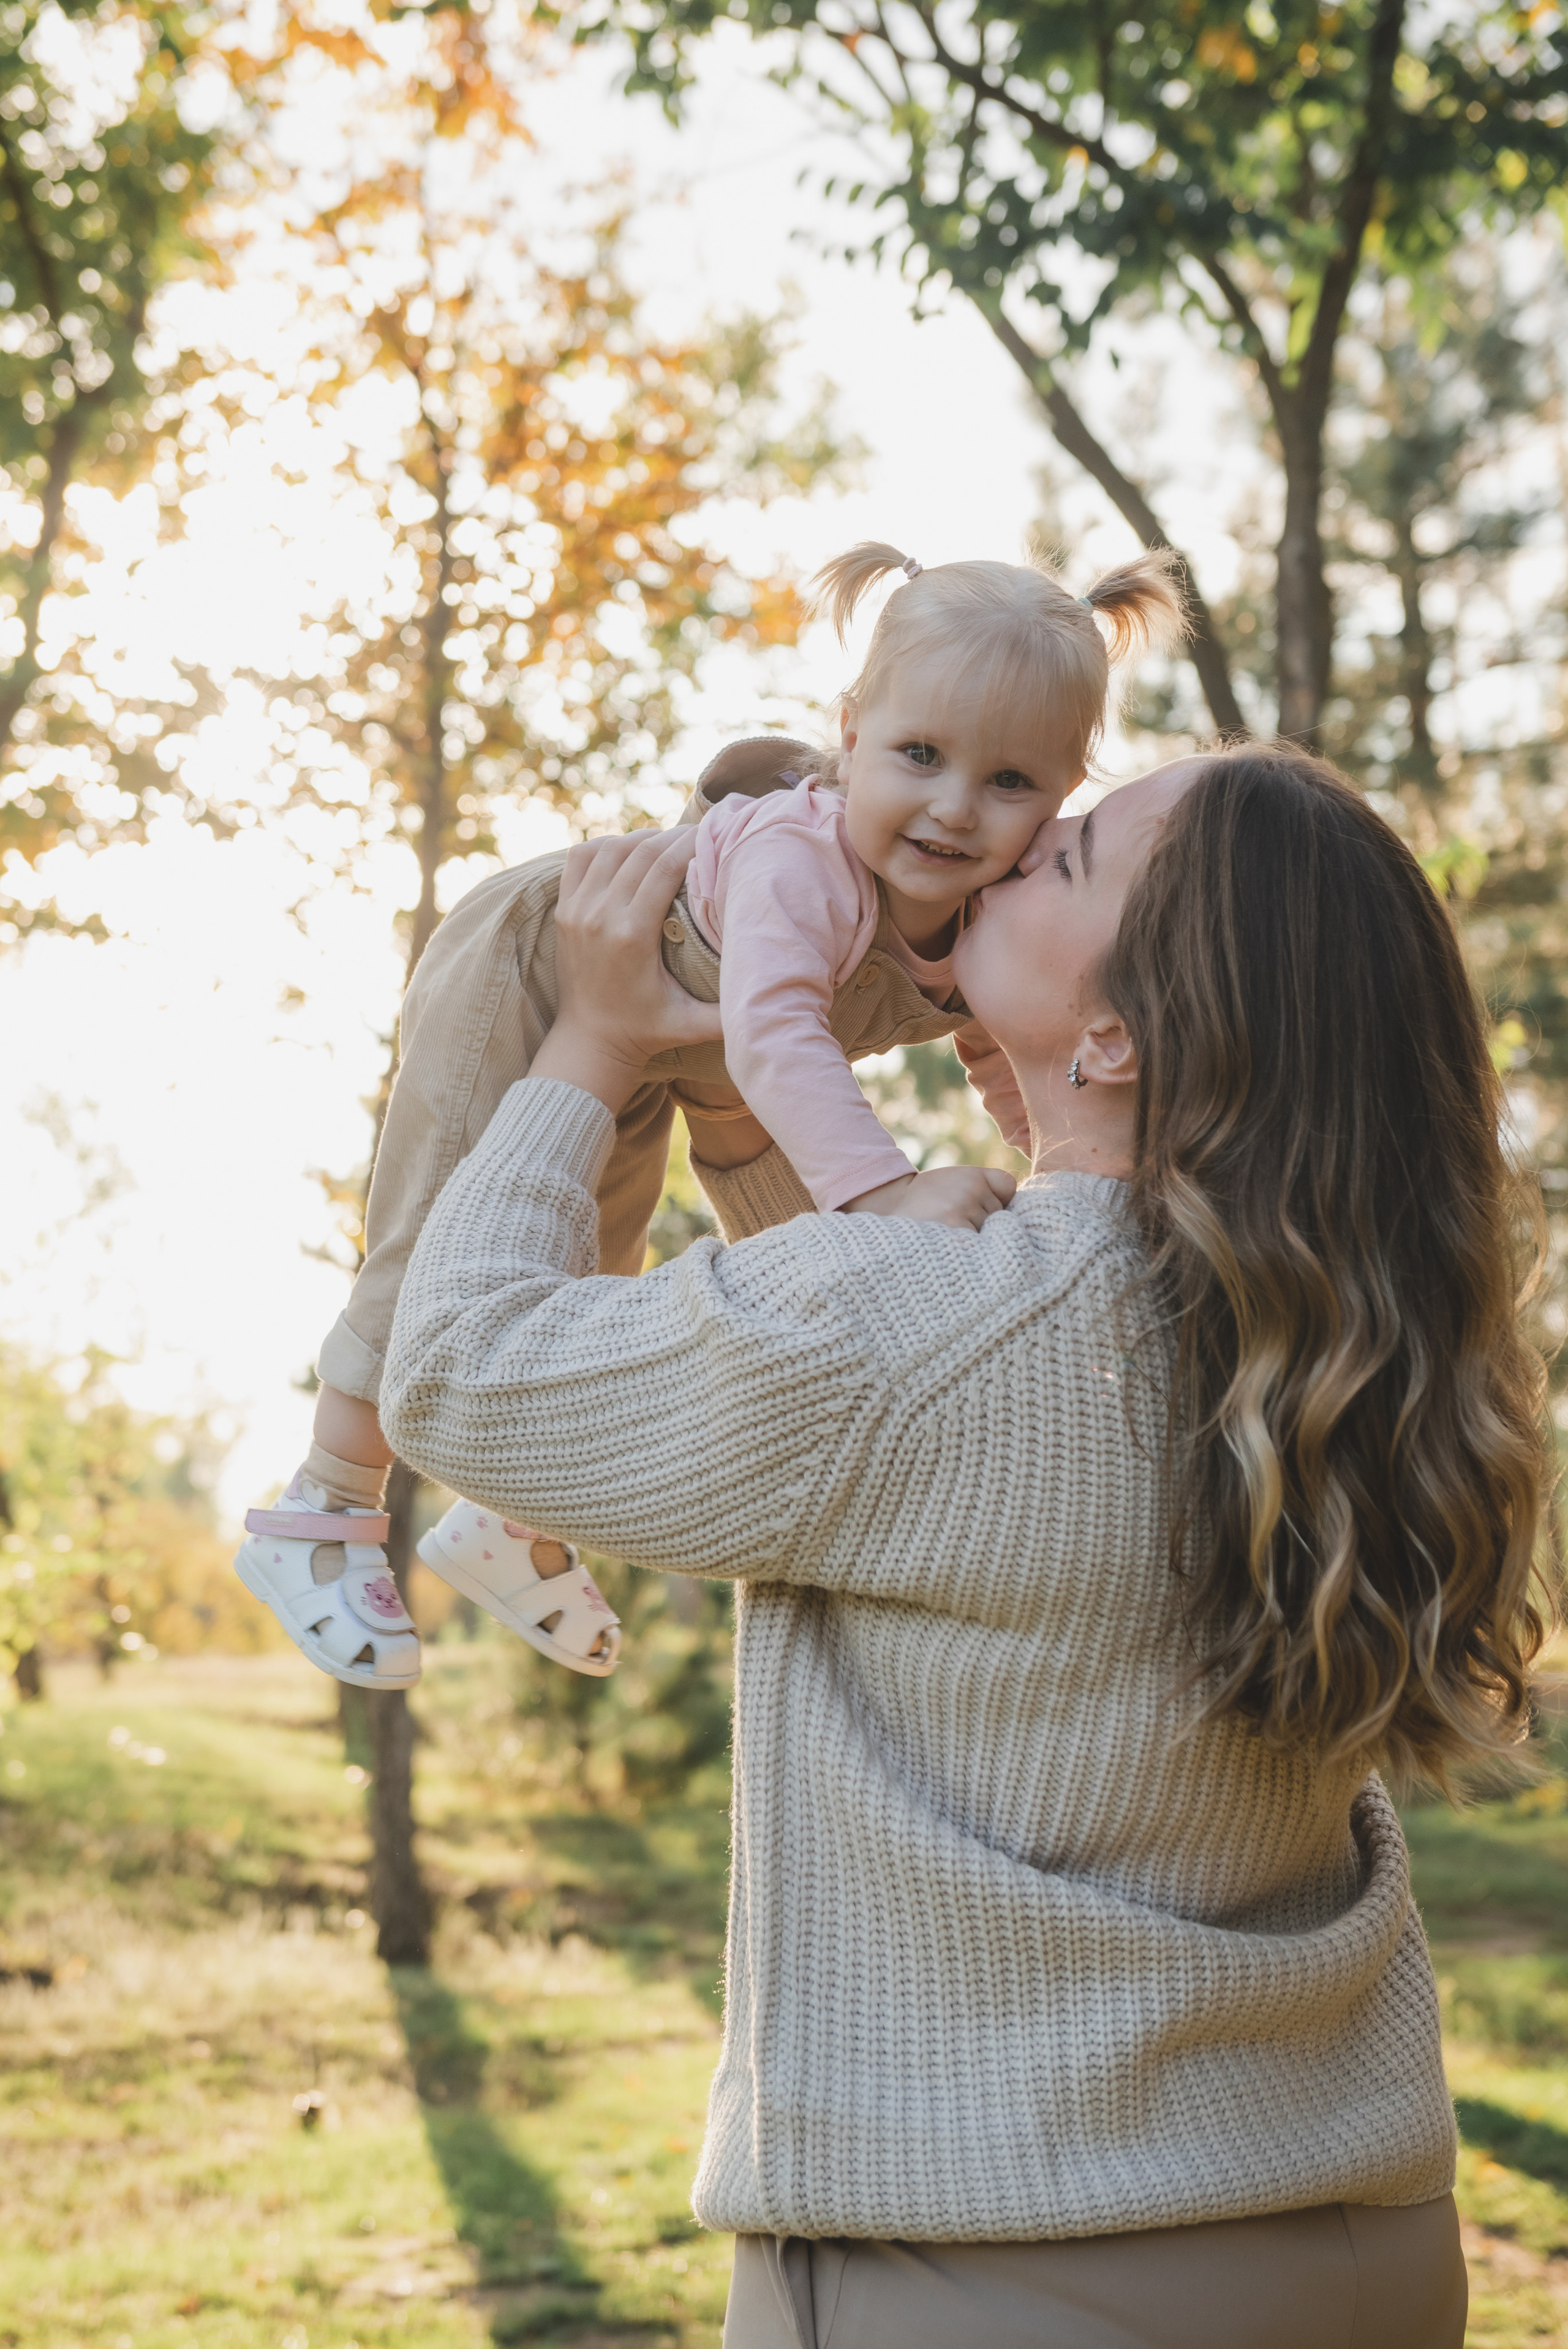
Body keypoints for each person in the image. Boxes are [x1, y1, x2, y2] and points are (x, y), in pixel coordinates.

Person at [379, 743, 1549, 2348]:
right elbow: (865, 1401)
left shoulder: (945, 1323)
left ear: (1123, 1029)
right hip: (1361, 2246)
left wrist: (586, 1038)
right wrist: (887, 1092)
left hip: (989, 2273)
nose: (1005, 850)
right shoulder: (1343, 1352)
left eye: (1065, 856)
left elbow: (458, 1370)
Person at [232, 542, 1181, 1692]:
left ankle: (508, 1520)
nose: (953, 808)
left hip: (659, 1034)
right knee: (440, 1230)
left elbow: (995, 1051)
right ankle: (324, 1505)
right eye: (919, 756)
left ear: (1066, 783)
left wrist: (1068, 1186)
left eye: (1010, 782)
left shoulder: (982, 906)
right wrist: (882, 1193)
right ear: (849, 734)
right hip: (547, 960)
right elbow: (775, 1037)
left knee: (589, 1260)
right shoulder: (804, 866)